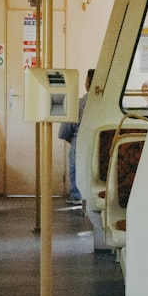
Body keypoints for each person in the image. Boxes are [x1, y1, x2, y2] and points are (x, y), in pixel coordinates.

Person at [58, 69, 93, 204]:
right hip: (105, 145)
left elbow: (65, 131)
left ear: (87, 84)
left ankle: (77, 195)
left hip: (80, 144)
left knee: (76, 152)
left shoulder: (77, 104)